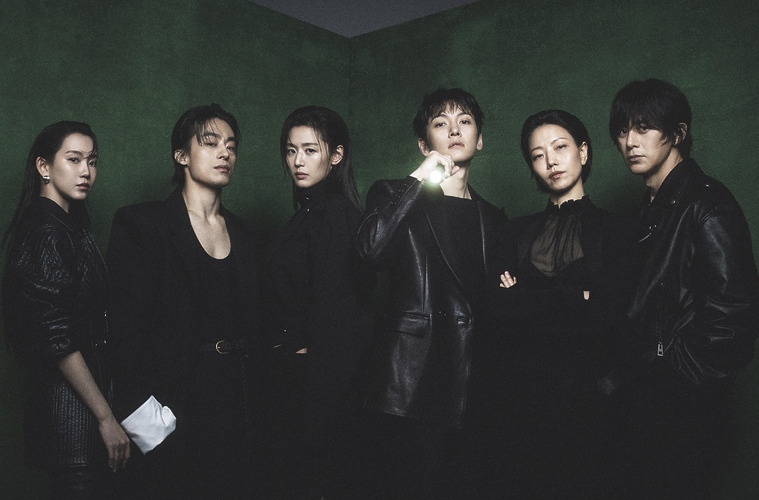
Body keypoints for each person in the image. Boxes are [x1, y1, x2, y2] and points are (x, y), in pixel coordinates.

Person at [106, 104, 267, 498]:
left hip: (238, 406)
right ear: (181, 155)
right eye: (210, 143)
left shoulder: (247, 235)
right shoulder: (142, 225)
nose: (225, 152)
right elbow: (123, 332)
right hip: (174, 408)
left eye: (231, 145)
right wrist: (151, 428)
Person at [608, 78, 759, 497]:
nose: (630, 141)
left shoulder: (706, 204)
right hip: (648, 404)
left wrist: (670, 374)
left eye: (644, 127)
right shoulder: (652, 210)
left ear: (677, 133)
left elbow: (736, 318)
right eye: (622, 130)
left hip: (683, 408)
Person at [356, 88, 506, 498]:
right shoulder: (392, 192)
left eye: (465, 122)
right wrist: (418, 179)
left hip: (472, 382)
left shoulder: (493, 218)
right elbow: (370, 251)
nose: (455, 131)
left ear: (480, 139)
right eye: (441, 123)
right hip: (410, 380)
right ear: (424, 144)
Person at [484, 109, 636, 496]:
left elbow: (611, 313)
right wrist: (577, 294)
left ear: (583, 152)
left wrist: (527, 294)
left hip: (593, 401)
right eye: (538, 155)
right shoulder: (514, 232)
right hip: (522, 402)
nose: (550, 161)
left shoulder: (617, 230)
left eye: (560, 147)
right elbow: (498, 311)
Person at [2, 121, 130, 498]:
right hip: (72, 420)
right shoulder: (47, 230)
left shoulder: (67, 226)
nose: (86, 171)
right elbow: (58, 338)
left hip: (78, 419)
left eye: (92, 161)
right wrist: (105, 418)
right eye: (74, 160)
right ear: (44, 166)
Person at [262, 105, 372, 498]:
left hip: (314, 383)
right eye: (291, 151)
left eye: (310, 150)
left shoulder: (336, 214)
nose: (297, 161)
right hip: (296, 376)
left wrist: (302, 359)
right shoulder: (309, 214)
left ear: (336, 155)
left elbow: (338, 313)